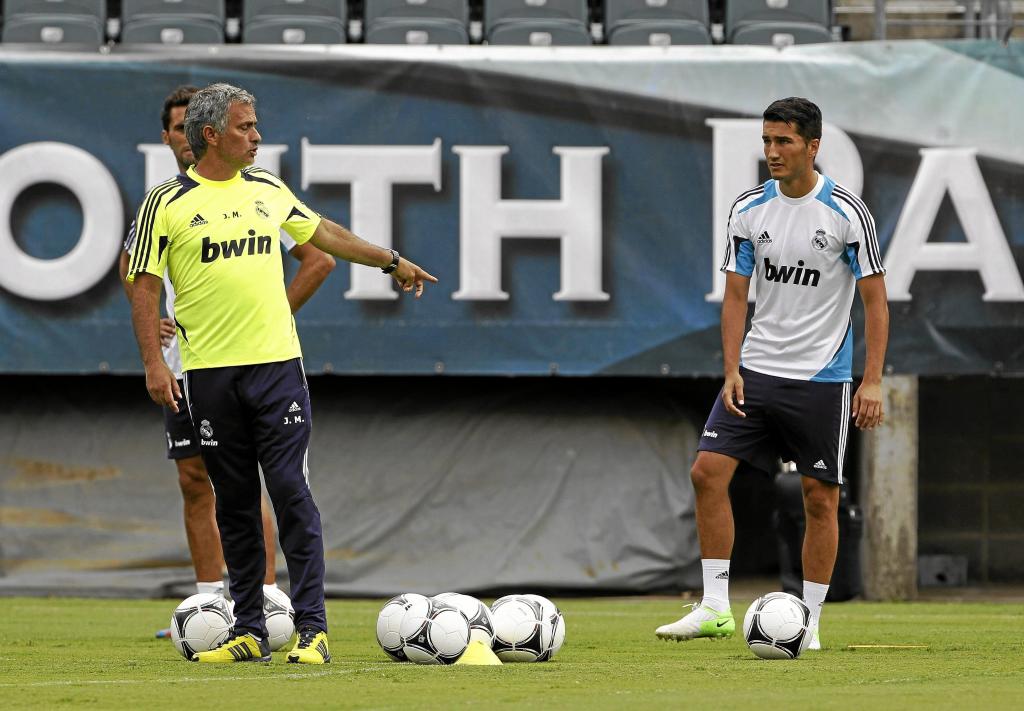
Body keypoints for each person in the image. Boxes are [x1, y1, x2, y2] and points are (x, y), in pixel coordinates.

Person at [127, 82, 437, 664]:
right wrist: (151, 364)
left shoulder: (267, 188)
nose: (257, 136)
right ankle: (249, 629)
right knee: (234, 502)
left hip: (276, 369)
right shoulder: (164, 204)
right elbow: (142, 285)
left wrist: (390, 261)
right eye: (245, 126)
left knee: (291, 491)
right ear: (211, 134)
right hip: (208, 375)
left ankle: (313, 629)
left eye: (255, 125)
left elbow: (325, 237)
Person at [655, 97, 888, 650]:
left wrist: (872, 380)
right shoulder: (749, 208)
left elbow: (875, 302)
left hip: (821, 378)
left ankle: (810, 621)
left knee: (819, 497)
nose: (772, 152)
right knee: (706, 472)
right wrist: (731, 368)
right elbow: (736, 295)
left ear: (813, 146)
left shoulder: (847, 213)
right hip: (757, 371)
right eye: (766, 141)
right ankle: (715, 608)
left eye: (784, 141)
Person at [120, 86, 335, 638]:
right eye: (176, 127)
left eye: (188, 125)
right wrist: (153, 343)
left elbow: (320, 255)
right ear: (170, 136)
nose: (183, 136)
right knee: (201, 481)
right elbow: (136, 275)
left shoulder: (258, 188)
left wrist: (267, 315)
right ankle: (211, 605)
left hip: (258, 358)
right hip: (190, 360)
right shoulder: (162, 203)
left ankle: (271, 603)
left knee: (270, 485)